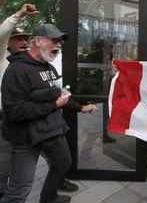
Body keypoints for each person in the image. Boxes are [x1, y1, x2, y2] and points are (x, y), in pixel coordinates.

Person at [0, 23, 96, 203]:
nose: (59, 44)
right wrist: (53, 104)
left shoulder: (49, 68)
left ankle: (49, 198)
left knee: (63, 164)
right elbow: (14, 112)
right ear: (36, 41)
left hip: (51, 131)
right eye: (54, 40)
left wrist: (81, 107)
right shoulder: (17, 70)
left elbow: (61, 95)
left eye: (60, 41)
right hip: (25, 138)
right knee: (20, 188)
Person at [0, 3, 38, 199]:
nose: (23, 42)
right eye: (18, 39)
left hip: (24, 121)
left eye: (25, 38)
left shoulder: (27, 62)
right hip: (4, 120)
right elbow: (2, 32)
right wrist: (19, 14)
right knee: (3, 166)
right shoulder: (2, 57)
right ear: (7, 42)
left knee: (20, 170)